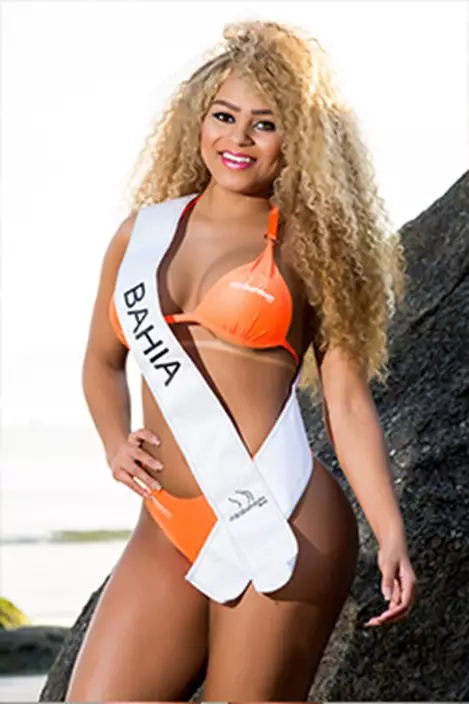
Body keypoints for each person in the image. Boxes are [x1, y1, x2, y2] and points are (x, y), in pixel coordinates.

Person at [66, 19, 417, 702]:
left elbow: (346, 402)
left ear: (299, 141)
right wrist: (113, 440)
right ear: (198, 121)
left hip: (280, 514)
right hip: (165, 526)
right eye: (224, 116)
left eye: (265, 124)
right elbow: (101, 362)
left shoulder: (313, 250)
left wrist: (390, 530)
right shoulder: (141, 235)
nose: (239, 138)